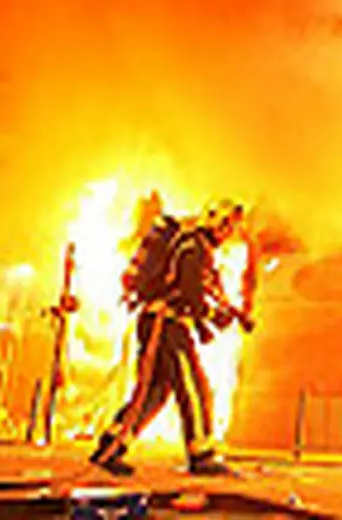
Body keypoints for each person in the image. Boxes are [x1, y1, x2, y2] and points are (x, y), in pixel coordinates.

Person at [89, 199, 248, 477]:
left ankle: (111, 446)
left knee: (155, 393)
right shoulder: (193, 247)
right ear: (213, 221)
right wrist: (211, 316)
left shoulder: (192, 246)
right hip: (166, 324)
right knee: (192, 386)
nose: (227, 233)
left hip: (161, 323)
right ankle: (202, 454)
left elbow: (193, 290)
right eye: (225, 225)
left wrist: (213, 317)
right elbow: (190, 292)